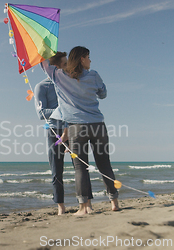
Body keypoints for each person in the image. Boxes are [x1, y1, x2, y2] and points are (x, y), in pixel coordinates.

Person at [41, 46, 119, 215]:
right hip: (98, 125)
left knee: (80, 168)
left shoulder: (59, 76)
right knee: (104, 164)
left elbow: (45, 64)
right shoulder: (94, 75)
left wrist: (43, 46)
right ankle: (114, 202)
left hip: (77, 128)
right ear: (82, 59)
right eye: (88, 57)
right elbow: (103, 94)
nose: (90, 60)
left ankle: (84, 207)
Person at [33, 52, 69, 215]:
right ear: (43, 66)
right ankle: (61, 206)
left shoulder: (67, 83)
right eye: (48, 64)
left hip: (73, 128)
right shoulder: (42, 86)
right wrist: (63, 110)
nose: (53, 66)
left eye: (55, 63)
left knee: (81, 166)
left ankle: (85, 202)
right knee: (57, 170)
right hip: (54, 131)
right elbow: (41, 114)